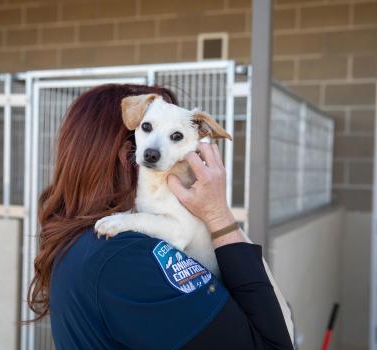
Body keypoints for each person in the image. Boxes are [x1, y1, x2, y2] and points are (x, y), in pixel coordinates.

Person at [27, 84, 294, 350]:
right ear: (121, 153)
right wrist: (219, 215)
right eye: (146, 128)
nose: (154, 148)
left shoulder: (76, 242)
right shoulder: (122, 257)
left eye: (175, 136)